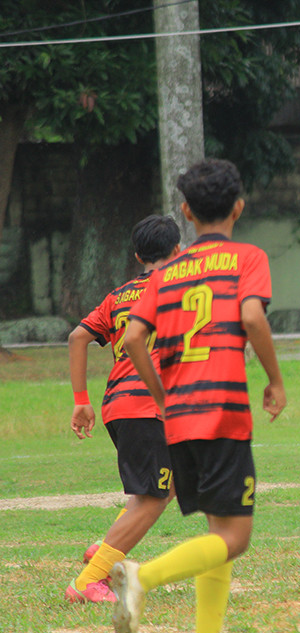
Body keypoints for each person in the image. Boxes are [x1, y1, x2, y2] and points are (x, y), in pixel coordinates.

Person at [112, 159, 286, 633]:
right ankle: (142, 577)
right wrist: (274, 379)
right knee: (235, 538)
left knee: (218, 532)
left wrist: (162, 395)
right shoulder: (247, 257)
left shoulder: (164, 272)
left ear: (185, 211)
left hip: (180, 418)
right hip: (224, 413)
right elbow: (252, 315)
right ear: (239, 206)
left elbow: (133, 338)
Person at [65, 215, 181, 604]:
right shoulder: (179, 289)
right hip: (150, 405)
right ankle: (87, 583)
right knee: (154, 497)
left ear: (137, 256)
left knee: (163, 486)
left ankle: (104, 550)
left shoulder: (119, 296)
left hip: (118, 404)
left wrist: (81, 400)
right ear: (179, 251)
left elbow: (78, 336)